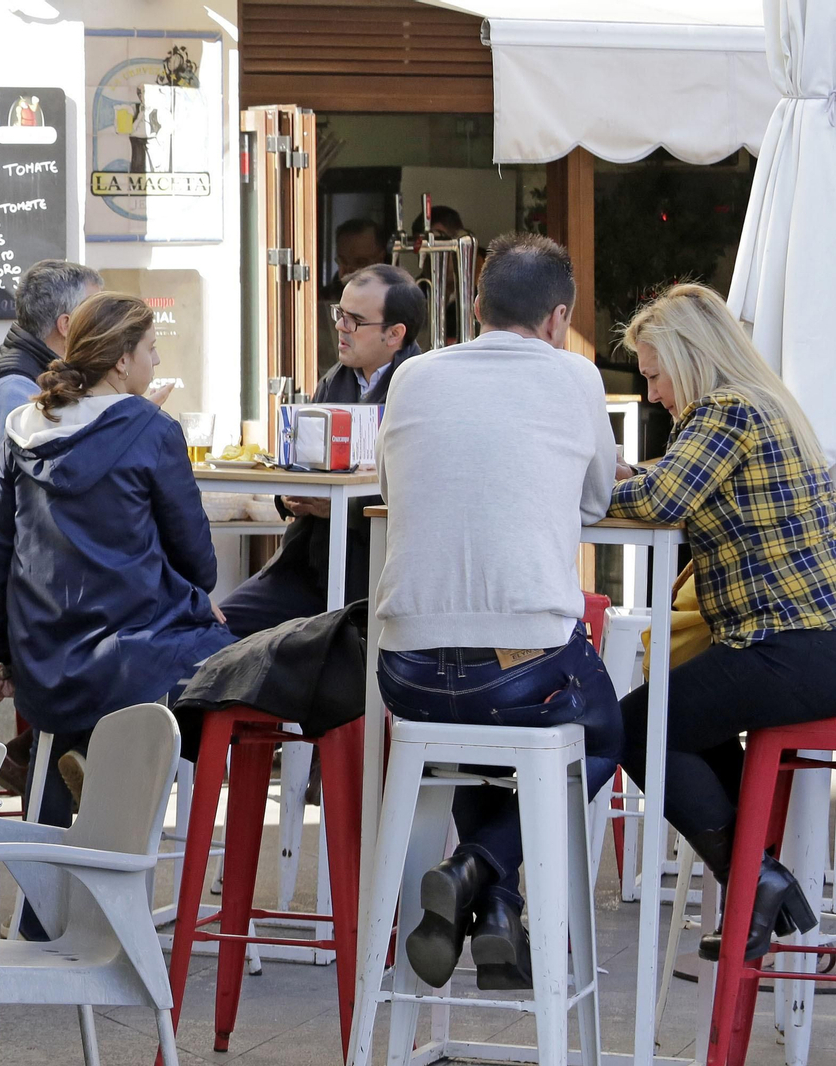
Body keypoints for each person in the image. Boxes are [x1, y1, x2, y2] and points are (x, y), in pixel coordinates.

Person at [373, 233, 620, 992]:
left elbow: (390, 477)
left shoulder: (412, 375)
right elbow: (597, 498)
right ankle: (478, 870)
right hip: (519, 673)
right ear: (558, 318)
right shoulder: (575, 376)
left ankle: (495, 907)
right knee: (605, 729)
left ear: (474, 308)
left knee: (493, 742)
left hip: (405, 672)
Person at [612, 283, 836, 961]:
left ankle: (757, 880)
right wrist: (639, 475)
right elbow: (674, 484)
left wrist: (596, 479)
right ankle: (765, 886)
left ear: (689, 357)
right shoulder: (766, 404)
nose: (652, 394)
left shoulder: (725, 410)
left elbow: (661, 498)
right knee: (683, 713)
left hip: (785, 647)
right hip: (807, 650)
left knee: (634, 726)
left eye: (653, 374)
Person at [0, 291, 235, 836]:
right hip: (131, 649)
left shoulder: (22, 426)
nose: (156, 362)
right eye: (151, 349)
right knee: (228, 657)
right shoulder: (151, 429)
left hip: (42, 652)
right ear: (121, 360)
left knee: (66, 714)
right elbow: (198, 561)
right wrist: (196, 595)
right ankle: (116, 791)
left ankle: (44, 899)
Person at [220, 263, 423, 638]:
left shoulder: (421, 390)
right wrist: (289, 496)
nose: (341, 328)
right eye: (339, 314)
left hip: (375, 578)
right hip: (305, 567)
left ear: (395, 334)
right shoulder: (335, 380)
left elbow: (427, 497)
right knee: (212, 629)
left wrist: (343, 507)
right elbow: (302, 465)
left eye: (355, 321)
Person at [0, 260, 104, 608]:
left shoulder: (44, 375)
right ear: (67, 325)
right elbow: (51, 479)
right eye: (96, 313)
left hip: (24, 552)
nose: (105, 324)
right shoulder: (12, 385)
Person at [321, 217, 388, 302]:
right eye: (343, 261)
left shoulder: (394, 299)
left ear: (380, 259)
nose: (349, 270)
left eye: (360, 262)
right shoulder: (322, 300)